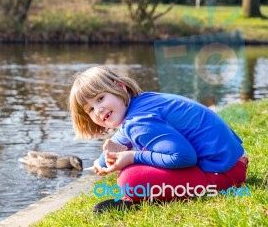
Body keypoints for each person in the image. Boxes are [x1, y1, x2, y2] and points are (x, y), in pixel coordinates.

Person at [68, 65, 248, 213]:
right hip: (231, 161)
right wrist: (101, 162)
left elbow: (184, 157)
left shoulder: (138, 121)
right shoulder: (141, 104)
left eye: (100, 98)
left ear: (120, 87)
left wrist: (132, 156)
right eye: (90, 109)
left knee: (130, 179)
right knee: (142, 157)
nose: (98, 110)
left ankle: (137, 198)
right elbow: (120, 139)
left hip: (223, 173)